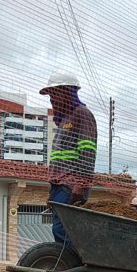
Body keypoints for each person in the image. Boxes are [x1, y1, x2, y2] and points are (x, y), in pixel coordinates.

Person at [41, 74, 97, 245]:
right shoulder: (65, 120)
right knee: (60, 229)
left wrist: (81, 184)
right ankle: (72, 268)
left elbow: (87, 151)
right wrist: (52, 190)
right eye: (50, 96)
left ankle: (73, 269)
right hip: (60, 185)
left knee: (62, 229)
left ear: (67, 93)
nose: (52, 100)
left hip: (71, 184)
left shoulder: (82, 114)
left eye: (54, 95)